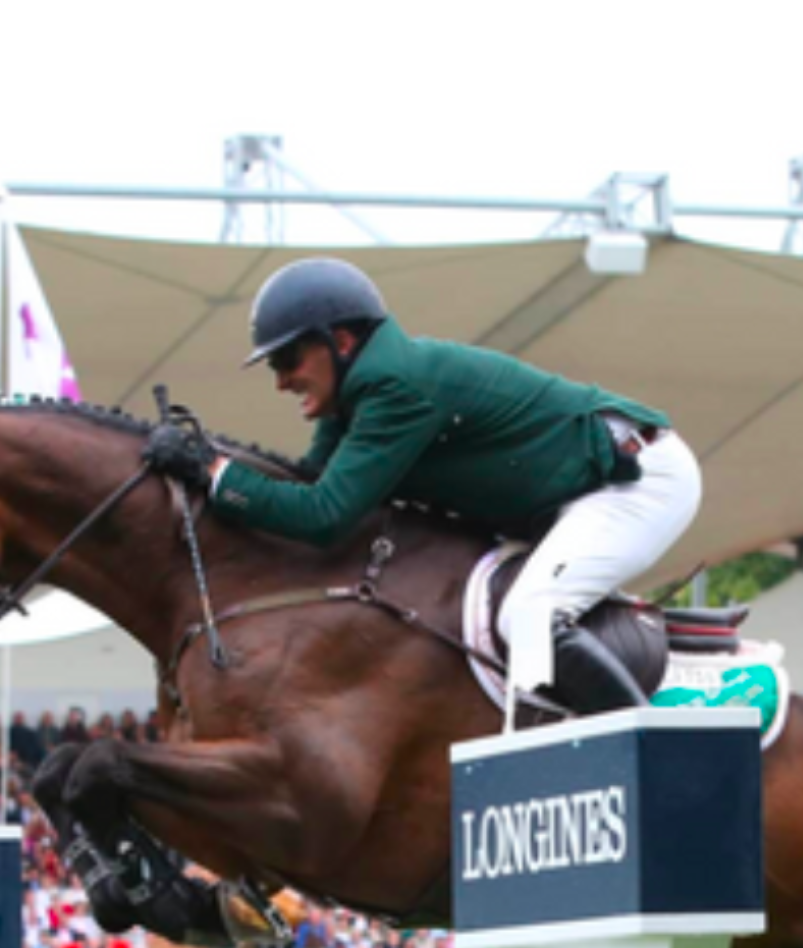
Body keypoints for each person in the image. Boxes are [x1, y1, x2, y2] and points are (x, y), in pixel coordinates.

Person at [142, 257, 702, 718]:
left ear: (339, 341)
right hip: (573, 498)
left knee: (531, 611)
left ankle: (653, 756)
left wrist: (214, 472)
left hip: (636, 481)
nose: (282, 380)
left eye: (288, 359)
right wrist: (210, 467)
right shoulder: (357, 393)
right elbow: (310, 486)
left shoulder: (394, 386)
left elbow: (322, 515)